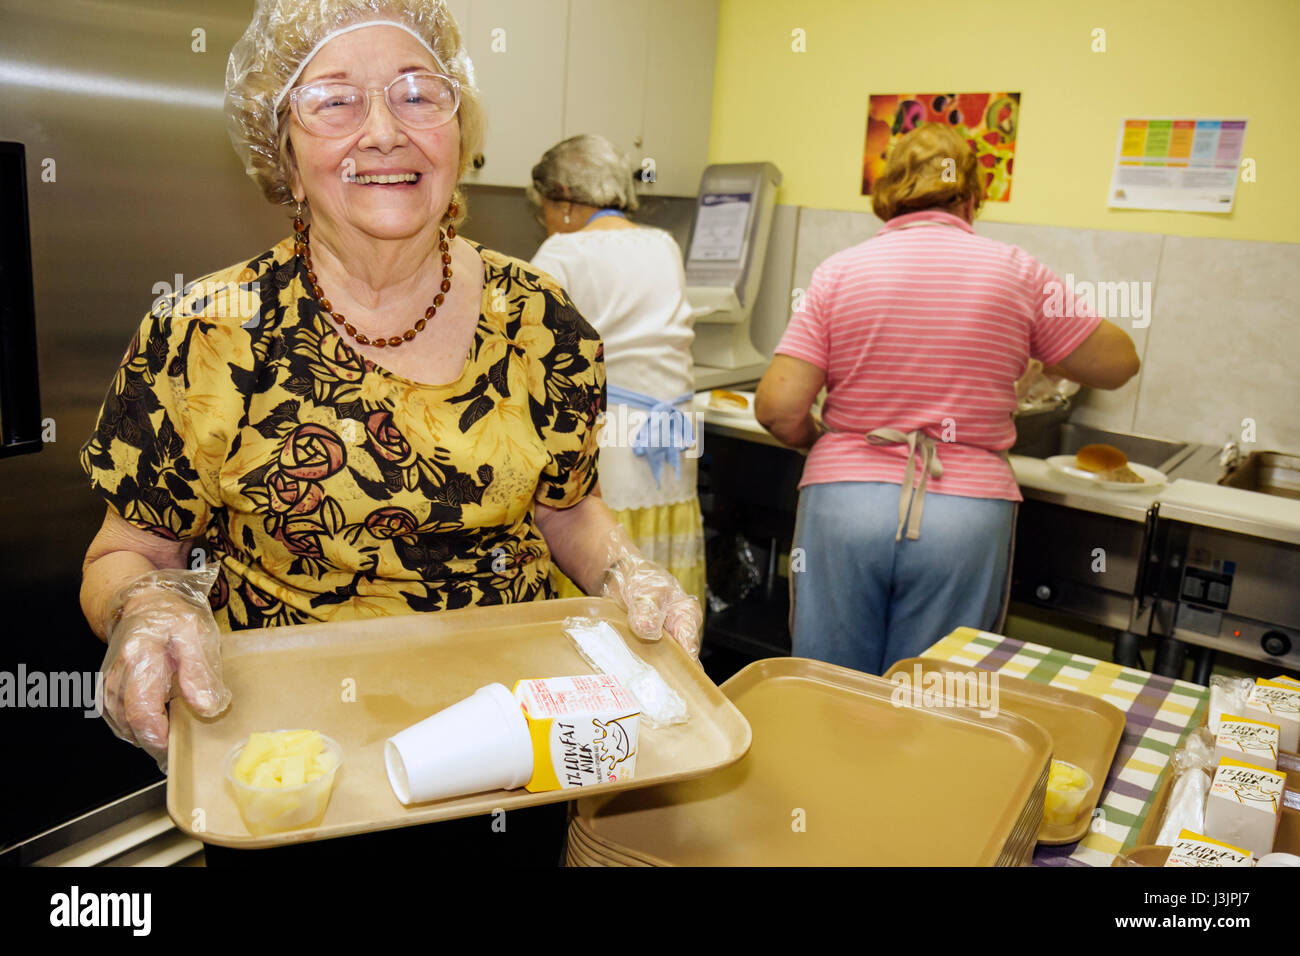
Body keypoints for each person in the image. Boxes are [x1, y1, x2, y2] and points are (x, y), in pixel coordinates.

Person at [77, 0, 700, 864]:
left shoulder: (542, 318)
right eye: (334, 100)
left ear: (458, 134)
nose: (383, 132)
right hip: (293, 776)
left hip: (510, 756)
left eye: (417, 94)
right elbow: (127, 552)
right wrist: (144, 608)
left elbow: (568, 510)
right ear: (282, 154)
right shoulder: (204, 331)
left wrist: (628, 571)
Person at [755, 122, 1139, 676]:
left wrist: (831, 445)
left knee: (828, 687)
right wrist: (1042, 346)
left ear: (886, 195)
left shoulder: (839, 271)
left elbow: (777, 408)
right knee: (935, 702)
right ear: (973, 196)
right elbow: (1119, 363)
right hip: (964, 513)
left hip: (844, 503)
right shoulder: (1016, 271)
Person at [527, 135, 705, 610]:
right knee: (662, 584)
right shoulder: (663, 244)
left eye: (542, 207)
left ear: (563, 198)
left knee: (604, 571)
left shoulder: (561, 252)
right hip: (675, 439)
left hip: (609, 441)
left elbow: (530, 357)